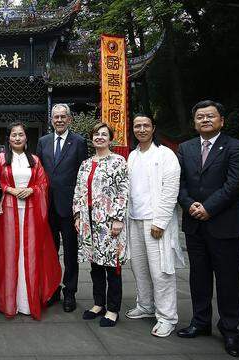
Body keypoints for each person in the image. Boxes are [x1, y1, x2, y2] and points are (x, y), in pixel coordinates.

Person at [176, 100, 239, 358]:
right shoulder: (185, 149)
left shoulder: (235, 147)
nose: (205, 120)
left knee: (228, 280)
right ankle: (200, 321)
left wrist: (208, 208)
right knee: (199, 277)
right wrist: (188, 204)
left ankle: (230, 330)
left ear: (221, 121)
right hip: (195, 225)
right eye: (200, 117)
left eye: (210, 116)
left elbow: (236, 183)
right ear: (194, 122)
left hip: (225, 224)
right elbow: (180, 183)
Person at [0, 122, 61, 320]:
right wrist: (10, 189)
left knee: (28, 253)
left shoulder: (35, 160)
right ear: (8, 138)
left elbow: (42, 183)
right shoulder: (0, 159)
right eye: (14, 135)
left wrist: (32, 190)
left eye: (21, 134)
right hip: (8, 213)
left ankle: (28, 301)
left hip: (30, 211)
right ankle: (8, 301)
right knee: (10, 253)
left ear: (26, 138)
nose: (17, 138)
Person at [125, 115, 185, 337]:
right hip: (134, 219)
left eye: (145, 126)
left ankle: (167, 317)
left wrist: (160, 221)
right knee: (139, 268)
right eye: (137, 126)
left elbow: (171, 190)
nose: (141, 129)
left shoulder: (165, 155)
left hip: (155, 221)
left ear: (153, 128)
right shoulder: (132, 156)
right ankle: (146, 306)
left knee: (161, 271)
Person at [73, 122, 128, 327]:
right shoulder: (86, 163)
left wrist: (118, 218)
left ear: (110, 138)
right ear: (92, 138)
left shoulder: (118, 161)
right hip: (88, 221)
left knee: (112, 266)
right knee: (95, 264)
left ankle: (113, 309)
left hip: (109, 222)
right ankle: (98, 304)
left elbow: (123, 192)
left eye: (104, 134)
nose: (99, 137)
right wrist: (77, 216)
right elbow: (78, 190)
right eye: (96, 134)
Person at [35, 103, 88, 312]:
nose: (59, 120)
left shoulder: (79, 142)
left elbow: (82, 176)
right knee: (49, 251)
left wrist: (79, 208)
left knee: (71, 252)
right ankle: (52, 288)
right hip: (47, 206)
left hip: (69, 207)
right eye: (55, 117)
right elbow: (39, 173)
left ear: (69, 119)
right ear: (51, 119)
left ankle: (70, 292)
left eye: (62, 117)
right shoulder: (43, 142)